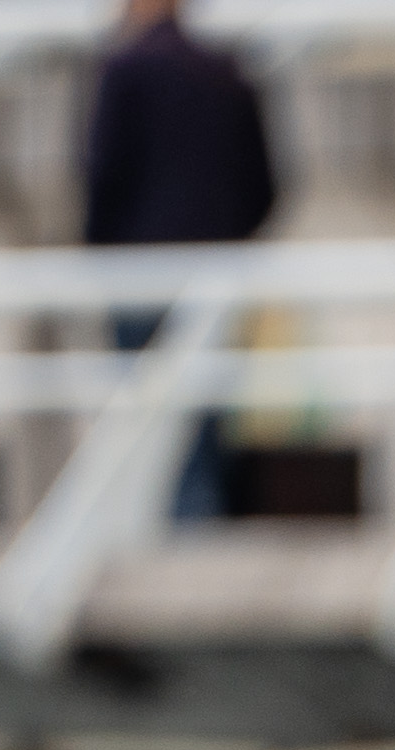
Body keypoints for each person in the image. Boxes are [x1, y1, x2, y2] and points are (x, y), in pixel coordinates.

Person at [78, 0, 279, 522]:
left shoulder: (124, 70)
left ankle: (155, 533)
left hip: (138, 276)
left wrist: (102, 256)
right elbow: (265, 187)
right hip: (212, 275)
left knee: (139, 426)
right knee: (201, 433)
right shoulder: (226, 71)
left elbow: (101, 178)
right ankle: (199, 529)